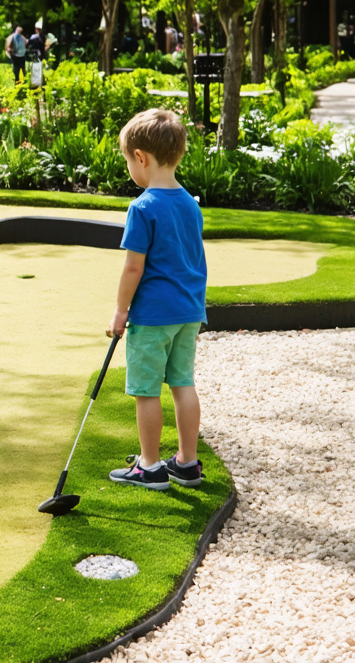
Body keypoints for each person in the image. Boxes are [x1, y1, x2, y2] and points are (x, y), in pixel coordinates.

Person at [106, 108, 207, 491]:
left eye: (128, 160)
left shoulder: (142, 207)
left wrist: (120, 310)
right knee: (183, 383)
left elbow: (134, 268)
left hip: (153, 315)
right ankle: (186, 462)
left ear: (141, 158)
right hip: (188, 311)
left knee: (146, 390)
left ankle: (149, 466)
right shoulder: (190, 203)